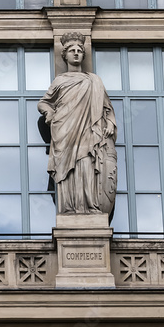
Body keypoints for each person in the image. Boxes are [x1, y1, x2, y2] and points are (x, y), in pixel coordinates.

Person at [37, 32, 117, 215]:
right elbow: (43, 102)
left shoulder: (94, 80)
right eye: (71, 50)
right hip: (65, 131)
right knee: (68, 171)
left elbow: (106, 107)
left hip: (88, 131)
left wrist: (111, 122)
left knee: (87, 164)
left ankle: (89, 205)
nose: (75, 53)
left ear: (83, 54)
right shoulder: (60, 80)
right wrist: (49, 112)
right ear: (64, 55)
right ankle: (71, 207)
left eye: (79, 50)